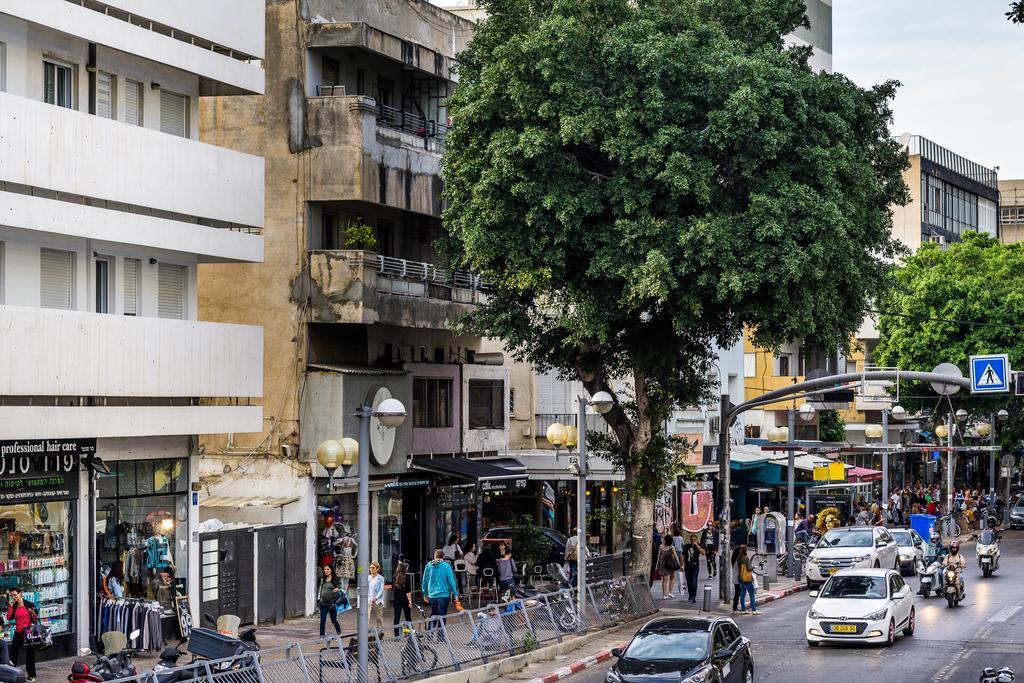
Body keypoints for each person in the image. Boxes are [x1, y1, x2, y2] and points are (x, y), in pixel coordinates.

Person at [422, 549, 459, 626]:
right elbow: (451, 581)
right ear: (444, 557)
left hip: (432, 595)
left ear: (434, 556)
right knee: (442, 617)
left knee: (434, 614)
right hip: (444, 595)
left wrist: (425, 593)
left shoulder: (428, 566)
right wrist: (455, 594)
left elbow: (424, 580)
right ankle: (441, 636)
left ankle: (429, 634)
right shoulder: (446, 566)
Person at [7, 588, 36, 681]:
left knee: (30, 654)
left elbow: (35, 619)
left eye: (15, 595)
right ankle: (11, 674)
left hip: (28, 633)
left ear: (20, 594)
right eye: (12, 596)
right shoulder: (14, 605)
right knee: (13, 653)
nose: (14, 597)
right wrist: (11, 607)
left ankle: (31, 676)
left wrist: (32, 613)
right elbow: (9, 618)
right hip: (18, 632)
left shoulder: (28, 604)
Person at [318, 564, 342, 637]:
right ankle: (322, 636)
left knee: (334, 620)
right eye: (325, 569)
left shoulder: (335, 580)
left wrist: (338, 589)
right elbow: (320, 590)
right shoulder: (323, 579)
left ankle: (339, 632)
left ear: (331, 570)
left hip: (332, 604)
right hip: (323, 603)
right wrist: (319, 599)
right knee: (322, 620)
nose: (326, 571)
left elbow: (340, 589)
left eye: (328, 569)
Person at [681, 534, 705, 603]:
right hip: (687, 567)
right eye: (692, 540)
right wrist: (681, 565)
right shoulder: (686, 546)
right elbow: (683, 556)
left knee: (694, 581)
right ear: (690, 540)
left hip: (695, 567)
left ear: (697, 540)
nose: (693, 541)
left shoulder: (698, 546)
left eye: (695, 540)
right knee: (689, 582)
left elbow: (703, 553)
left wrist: (697, 545)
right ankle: (690, 595)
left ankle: (693, 596)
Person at [736, 545, 759, 615]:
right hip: (747, 579)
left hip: (740, 578)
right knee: (752, 594)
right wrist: (753, 567)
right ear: (745, 550)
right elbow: (748, 568)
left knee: (742, 594)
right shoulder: (746, 558)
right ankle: (754, 610)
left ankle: (743, 610)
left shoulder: (738, 558)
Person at [391, 558, 412, 635]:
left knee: (396, 618)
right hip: (405, 600)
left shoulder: (394, 578)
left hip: (397, 600)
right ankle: (409, 633)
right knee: (408, 617)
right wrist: (410, 602)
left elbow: (393, 589)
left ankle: (396, 635)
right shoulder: (407, 578)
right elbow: (408, 592)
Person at [657, 534, 679, 599]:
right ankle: (670, 592)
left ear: (665, 540)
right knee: (672, 577)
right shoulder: (671, 547)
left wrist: (657, 566)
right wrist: (679, 564)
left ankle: (664, 595)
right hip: (670, 564)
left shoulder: (661, 546)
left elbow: (658, 556)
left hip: (662, 565)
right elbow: (676, 556)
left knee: (664, 580)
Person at [368, 562, 386, 633]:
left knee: (379, 616)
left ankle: (380, 630)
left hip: (377, 600)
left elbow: (381, 590)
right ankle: (365, 629)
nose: (371, 569)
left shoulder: (381, 578)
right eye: (370, 567)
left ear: (377, 569)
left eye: (373, 568)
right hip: (368, 599)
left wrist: (376, 598)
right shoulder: (368, 577)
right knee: (367, 616)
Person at [730, 546, 743, 613]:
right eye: (740, 551)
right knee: (738, 594)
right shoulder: (738, 560)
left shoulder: (734, 559)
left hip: (736, 579)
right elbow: (740, 570)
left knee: (738, 593)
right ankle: (735, 608)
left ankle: (735, 608)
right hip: (738, 579)